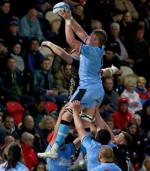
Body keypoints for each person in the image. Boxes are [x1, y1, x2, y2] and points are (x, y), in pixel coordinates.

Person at [38, 9, 107, 159]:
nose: (88, 36)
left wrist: (68, 22)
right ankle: (85, 156)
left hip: (86, 89)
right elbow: (80, 33)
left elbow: (70, 40)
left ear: (95, 41)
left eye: (92, 36)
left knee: (67, 114)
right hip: (97, 91)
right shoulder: (96, 50)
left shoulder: (90, 51)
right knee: (85, 123)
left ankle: (54, 148)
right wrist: (68, 17)